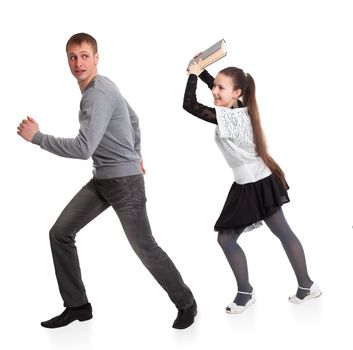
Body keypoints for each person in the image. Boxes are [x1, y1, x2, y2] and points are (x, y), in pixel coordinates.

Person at [17, 32, 196, 329]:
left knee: (145, 247)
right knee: (60, 233)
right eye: (73, 57)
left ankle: (187, 303)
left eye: (84, 55)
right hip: (103, 180)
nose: (78, 62)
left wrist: (37, 138)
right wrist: (136, 153)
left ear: (96, 58)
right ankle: (78, 306)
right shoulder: (102, 87)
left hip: (125, 184)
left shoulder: (97, 93)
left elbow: (83, 148)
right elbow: (134, 118)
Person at [182, 58, 321, 314]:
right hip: (254, 182)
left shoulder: (231, 118)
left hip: (255, 185)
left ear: (237, 93)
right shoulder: (240, 106)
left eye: (221, 88)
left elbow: (189, 105)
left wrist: (192, 75)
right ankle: (306, 286)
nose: (215, 91)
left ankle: (248, 293)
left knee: (227, 238)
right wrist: (203, 74)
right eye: (216, 86)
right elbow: (222, 89)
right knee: (280, 233)